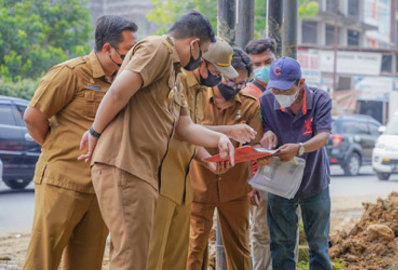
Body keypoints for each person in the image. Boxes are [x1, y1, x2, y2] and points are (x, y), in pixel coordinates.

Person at [77, 11, 235, 270]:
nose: (201, 59)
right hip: (124, 164)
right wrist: (94, 132)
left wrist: (220, 139)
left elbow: (185, 128)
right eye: (204, 51)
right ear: (194, 44)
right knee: (131, 258)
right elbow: (118, 92)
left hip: (142, 171)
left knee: (138, 255)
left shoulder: (174, 73)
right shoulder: (157, 48)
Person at [22, 16, 137, 270]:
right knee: (44, 258)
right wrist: (56, 148)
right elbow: (33, 117)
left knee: (88, 261)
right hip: (63, 182)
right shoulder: (70, 73)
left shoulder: (123, 81)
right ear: (108, 49)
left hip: (101, 186)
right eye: (128, 51)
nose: (132, 57)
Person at [146, 38, 239, 270]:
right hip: (161, 178)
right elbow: (180, 131)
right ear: (202, 63)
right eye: (217, 70)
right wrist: (223, 135)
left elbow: (191, 134)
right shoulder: (176, 83)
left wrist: (207, 160)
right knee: (153, 251)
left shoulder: (199, 89)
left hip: (182, 179)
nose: (220, 78)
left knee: (178, 255)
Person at [187, 47, 262, 270]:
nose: (236, 88)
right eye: (231, 83)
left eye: (242, 84)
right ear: (220, 73)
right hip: (198, 185)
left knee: (239, 248)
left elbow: (256, 146)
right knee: (193, 248)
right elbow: (185, 131)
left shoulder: (250, 104)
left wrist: (261, 153)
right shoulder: (196, 98)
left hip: (236, 188)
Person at [258, 57, 333, 269]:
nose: (279, 95)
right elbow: (263, 129)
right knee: (281, 244)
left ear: (301, 83)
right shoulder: (266, 100)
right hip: (280, 183)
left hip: (314, 181)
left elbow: (324, 136)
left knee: (318, 244)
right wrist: (267, 135)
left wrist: (299, 148)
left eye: (285, 90)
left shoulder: (320, 100)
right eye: (275, 89)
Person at [243, 38, 277, 270]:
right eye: (257, 64)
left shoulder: (288, 88)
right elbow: (244, 143)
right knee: (261, 231)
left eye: (268, 61)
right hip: (260, 172)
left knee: (287, 229)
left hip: (286, 167)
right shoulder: (247, 95)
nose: (263, 67)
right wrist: (251, 179)